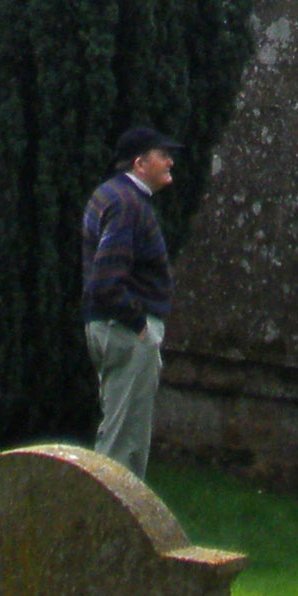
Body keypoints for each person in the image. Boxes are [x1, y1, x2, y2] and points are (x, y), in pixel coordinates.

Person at [80, 126, 180, 476]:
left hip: (111, 327)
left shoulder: (114, 196)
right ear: (140, 164)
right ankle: (104, 525)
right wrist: (140, 327)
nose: (170, 161)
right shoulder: (126, 203)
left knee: (118, 433)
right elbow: (106, 283)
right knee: (124, 447)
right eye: (162, 154)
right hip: (124, 330)